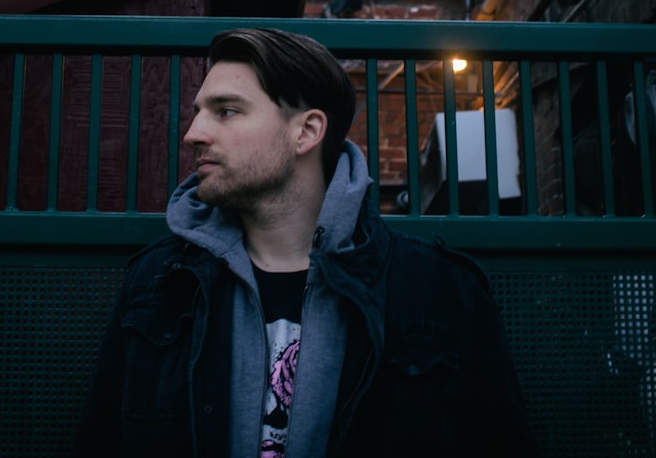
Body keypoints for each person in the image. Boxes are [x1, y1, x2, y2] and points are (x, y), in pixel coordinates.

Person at [74, 27, 538, 457]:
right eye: (199, 112)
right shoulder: (158, 285)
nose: (195, 133)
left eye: (227, 111)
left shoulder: (438, 291)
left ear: (307, 132)